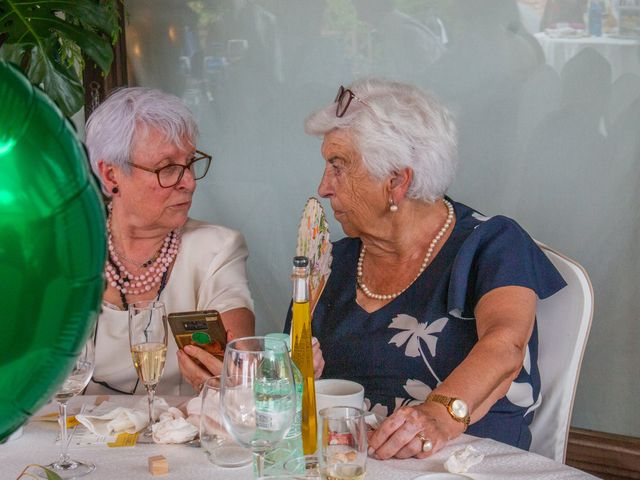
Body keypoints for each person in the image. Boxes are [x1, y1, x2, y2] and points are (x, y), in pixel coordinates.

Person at [286, 78, 566, 458]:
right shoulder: (328, 263)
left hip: (465, 462)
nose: (323, 187)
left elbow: (505, 348)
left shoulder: (491, 244)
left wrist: (440, 414)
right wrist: (297, 378)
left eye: (338, 167)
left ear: (397, 181)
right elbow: (293, 386)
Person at [84, 87, 255, 396]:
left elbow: (237, 360)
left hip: (176, 436)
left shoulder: (217, 249)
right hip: (68, 437)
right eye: (168, 168)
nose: (188, 181)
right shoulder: (66, 252)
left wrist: (230, 377)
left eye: (190, 163)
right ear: (111, 176)